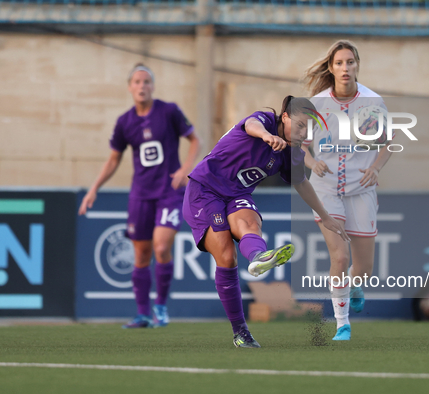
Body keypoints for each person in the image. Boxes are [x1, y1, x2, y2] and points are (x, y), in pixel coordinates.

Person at [182, 95, 348, 348]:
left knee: (250, 224)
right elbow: (251, 126)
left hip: (237, 194)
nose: (305, 132)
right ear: (284, 117)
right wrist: (266, 136)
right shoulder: (264, 121)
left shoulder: (292, 152)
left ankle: (260, 257)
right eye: (301, 125)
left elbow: (301, 183)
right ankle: (241, 332)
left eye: (309, 128)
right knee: (227, 257)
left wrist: (325, 217)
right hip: (204, 190)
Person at [79, 64, 201, 328]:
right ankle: (143, 313)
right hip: (140, 195)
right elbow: (113, 159)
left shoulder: (169, 111)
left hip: (169, 191)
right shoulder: (125, 122)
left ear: (152, 86)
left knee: (161, 246)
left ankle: (161, 307)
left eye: (146, 81)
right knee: (142, 253)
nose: (142, 86)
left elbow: (194, 140)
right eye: (137, 82)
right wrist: (93, 188)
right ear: (129, 87)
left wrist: (184, 169)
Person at [302, 40, 396, 341]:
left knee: (364, 266)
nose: (345, 68)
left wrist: (375, 168)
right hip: (326, 189)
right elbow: (300, 147)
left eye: (350, 62)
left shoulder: (372, 102)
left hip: (360, 189)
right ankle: (342, 323)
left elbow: (388, 143)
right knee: (340, 258)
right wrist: (311, 161)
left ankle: (356, 285)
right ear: (332, 68)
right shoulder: (316, 104)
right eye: (340, 63)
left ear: (357, 66)